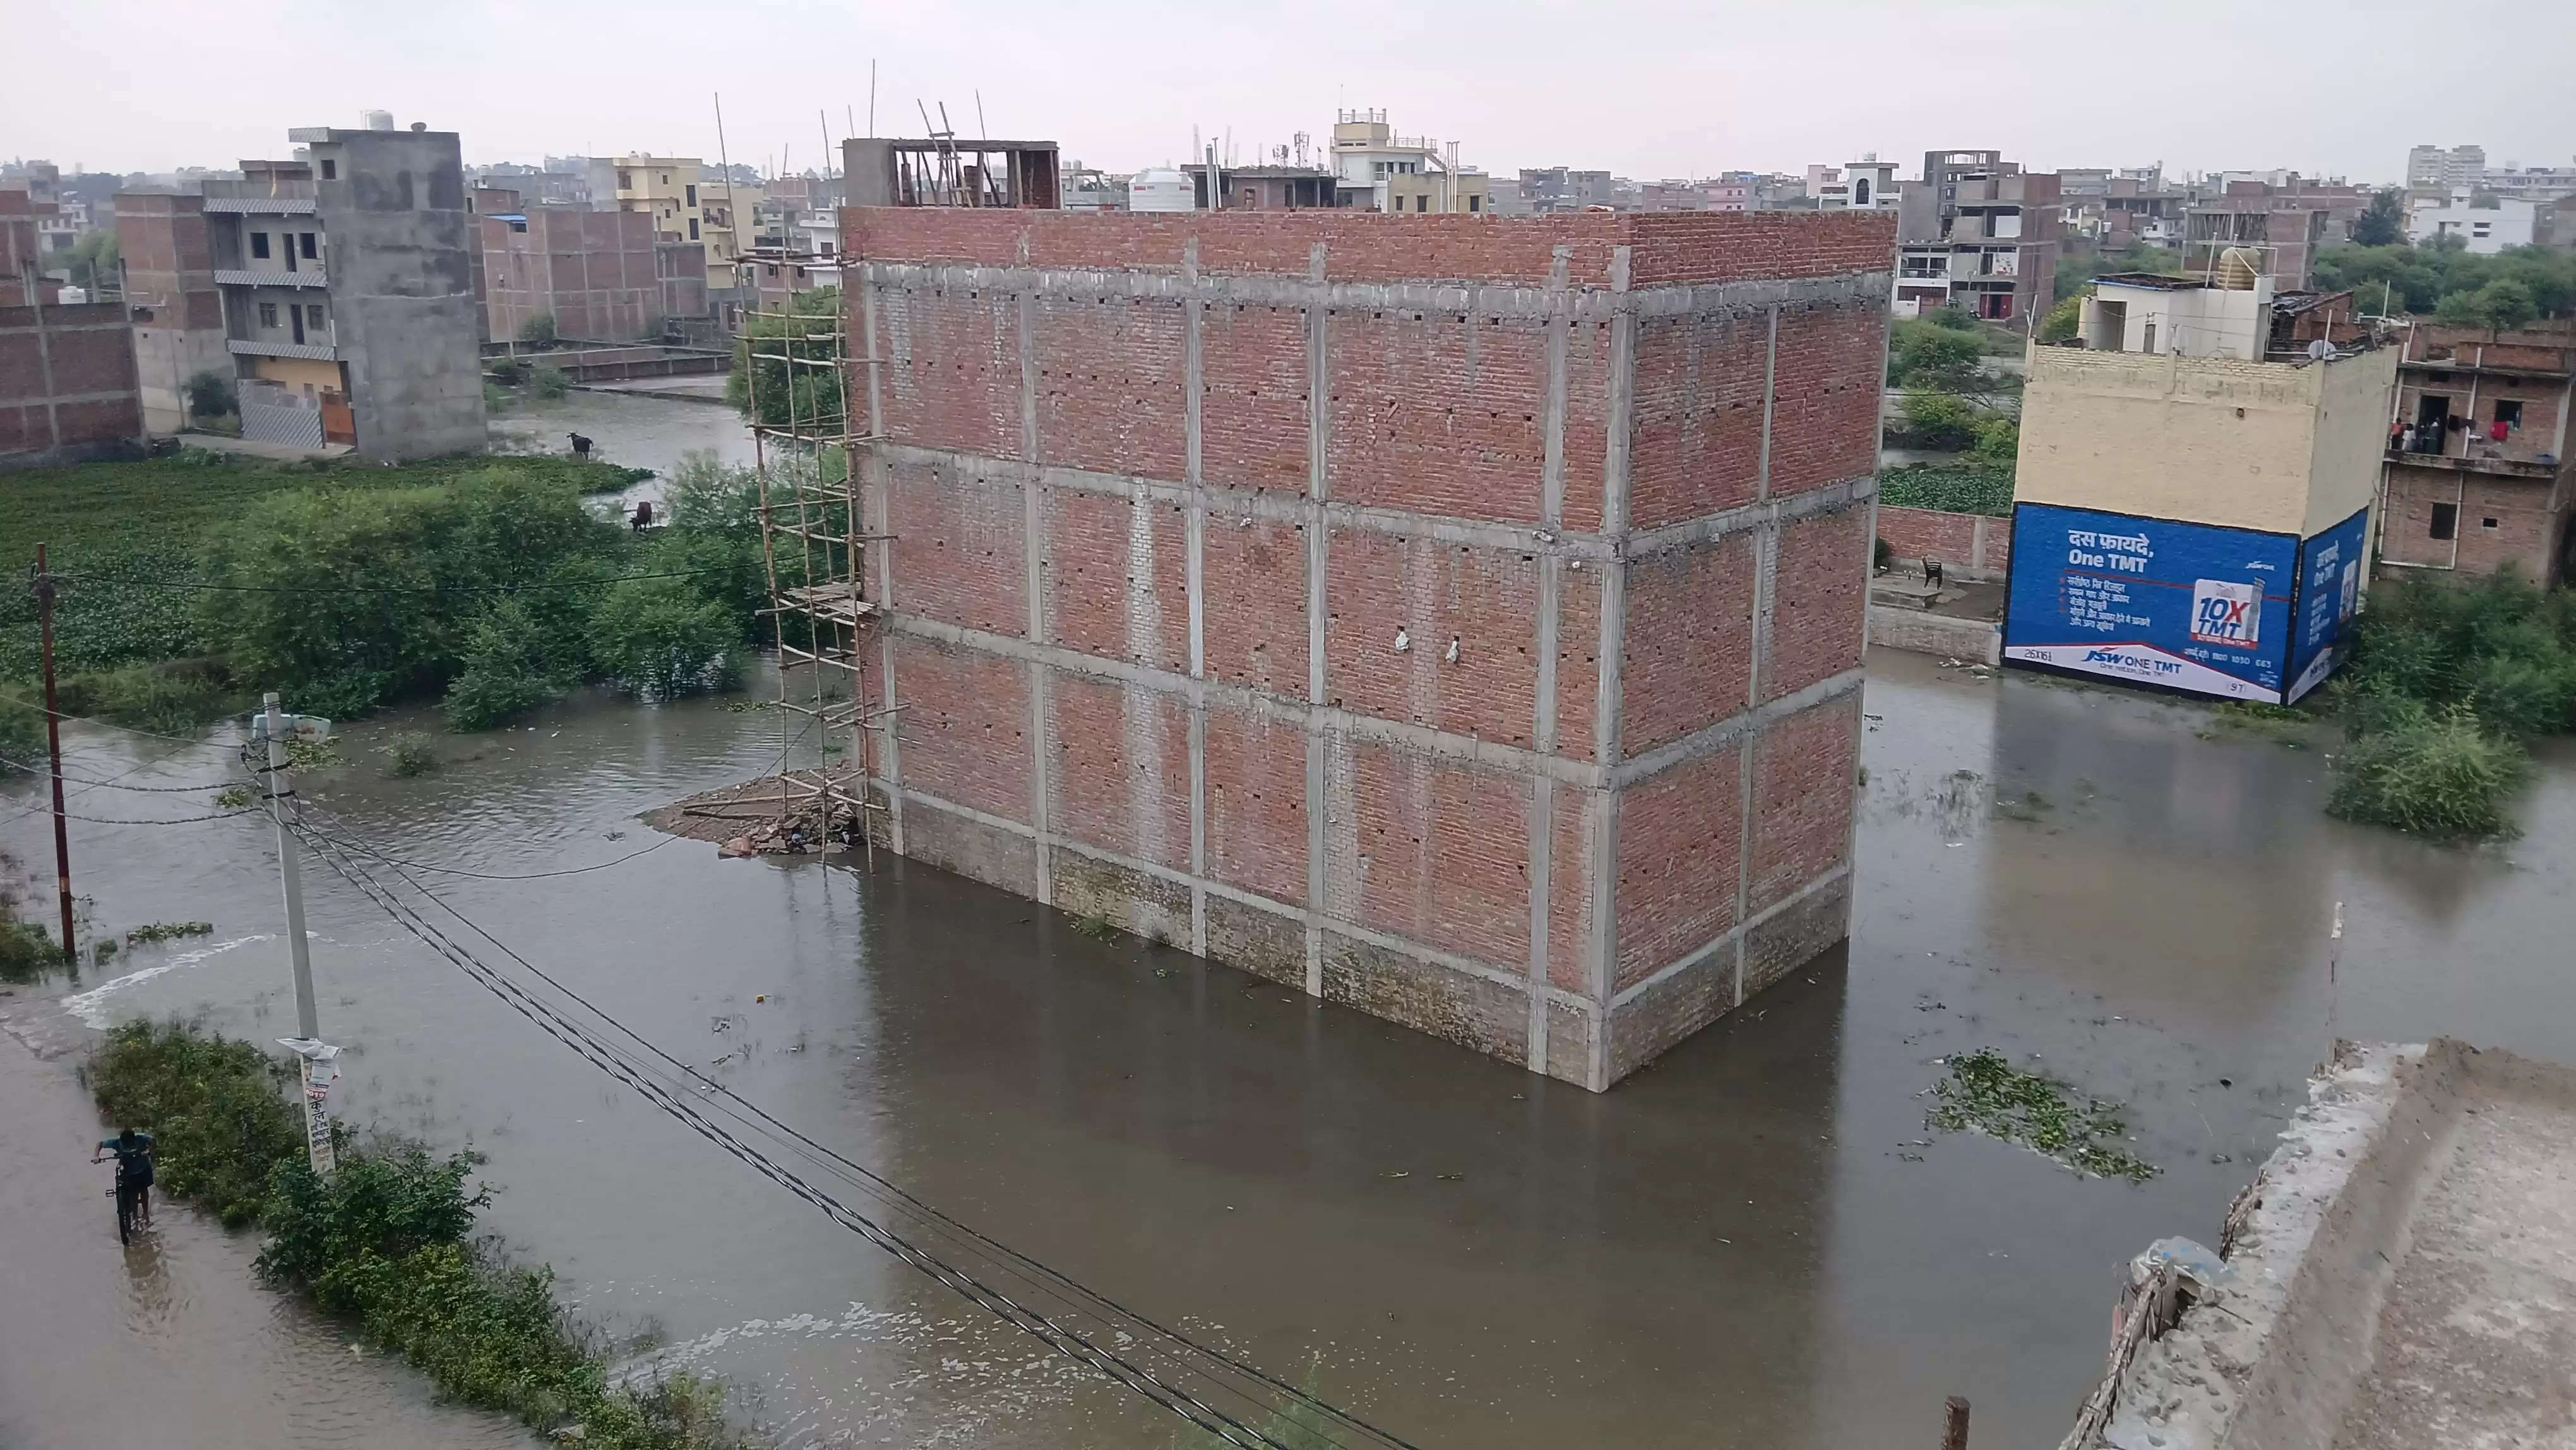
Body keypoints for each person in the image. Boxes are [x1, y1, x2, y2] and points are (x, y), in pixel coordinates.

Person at [92, 1127, 155, 1230]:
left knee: (144, 1190)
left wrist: (149, 1151)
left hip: (143, 1167)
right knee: (133, 1193)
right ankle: (135, 1216)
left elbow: (154, 1141)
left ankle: (145, 1214)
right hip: (128, 1169)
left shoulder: (142, 1138)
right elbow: (100, 1144)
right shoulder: (116, 1142)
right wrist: (96, 1156)